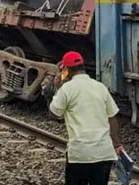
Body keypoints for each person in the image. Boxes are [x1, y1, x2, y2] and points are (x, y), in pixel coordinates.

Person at [49, 51, 122, 185]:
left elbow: (54, 113)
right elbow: (112, 117)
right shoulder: (100, 87)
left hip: (80, 154)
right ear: (83, 66)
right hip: (103, 153)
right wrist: (117, 144)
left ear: (66, 69)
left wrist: (57, 89)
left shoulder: (66, 89)